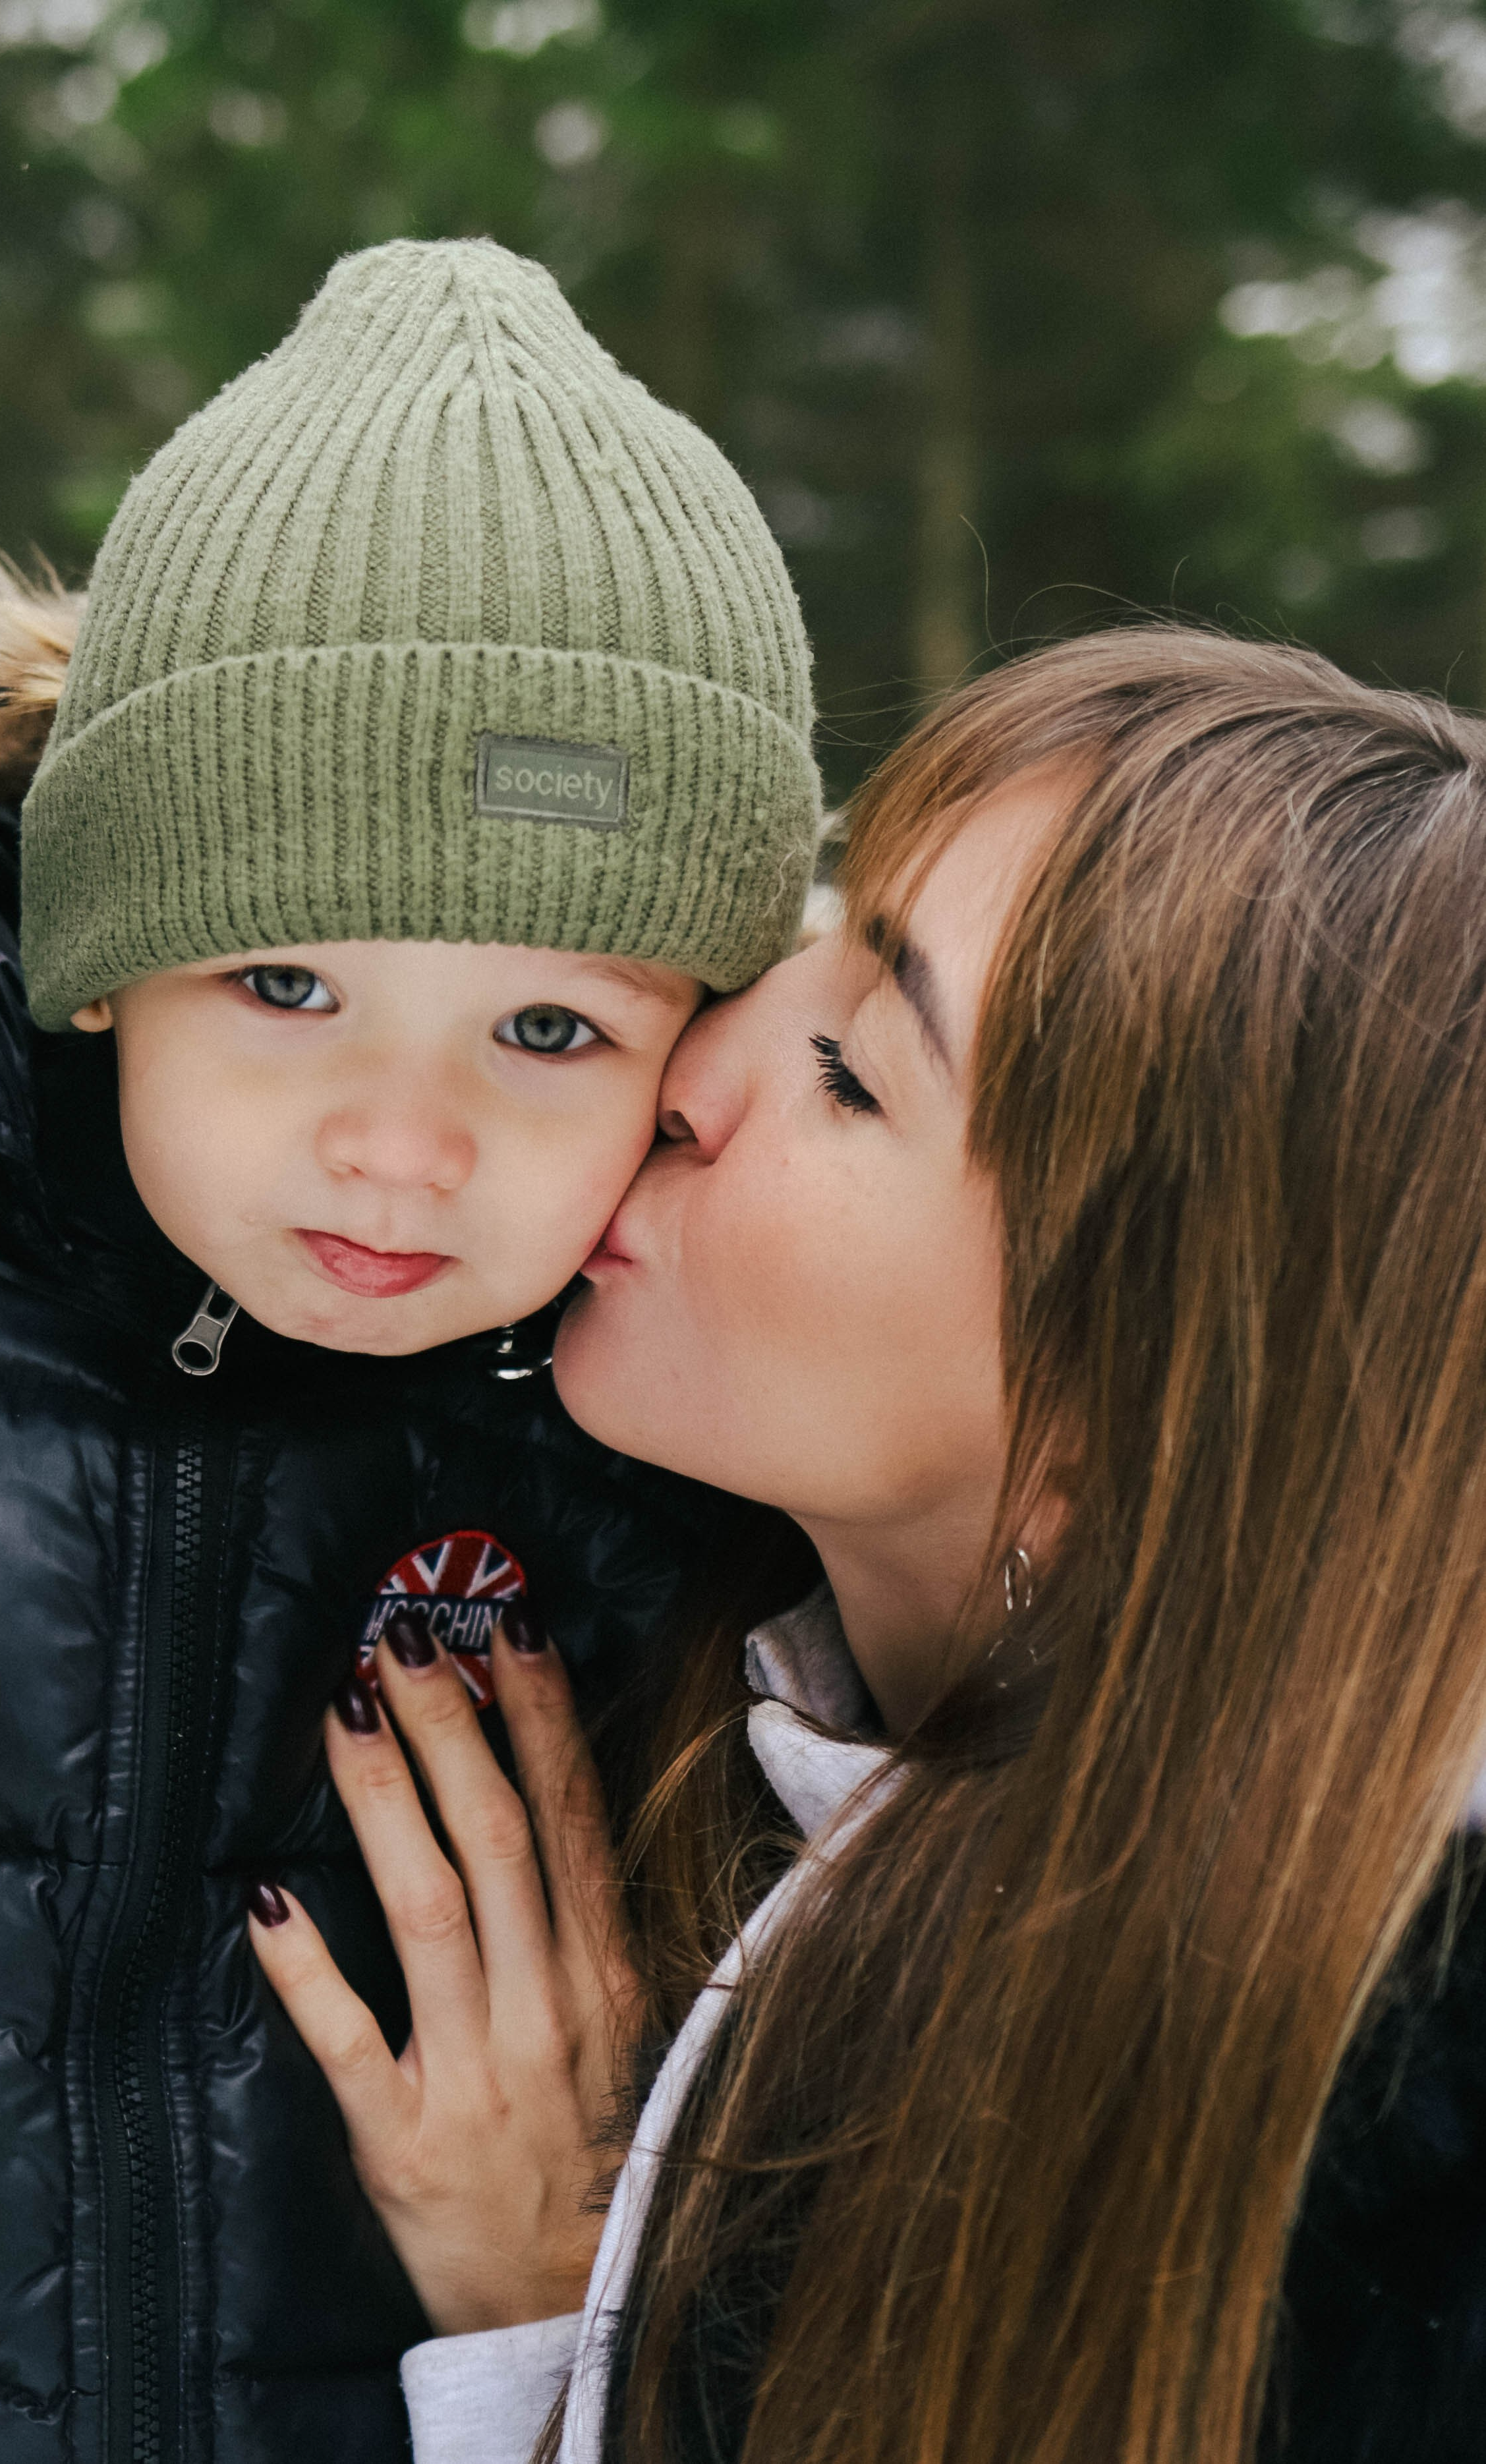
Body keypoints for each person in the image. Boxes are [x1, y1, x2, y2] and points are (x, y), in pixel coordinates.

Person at [256, 623, 1486, 2464]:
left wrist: (552, 2315)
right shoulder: (685, 1632)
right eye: (812, 923)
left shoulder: (1395, 2180)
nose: (694, 1054)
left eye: (854, 1068)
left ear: (1140, 1409)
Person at [0, 237, 819, 2461]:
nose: (400, 1145)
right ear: (102, 959)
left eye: (548, 1026)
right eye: (283, 985)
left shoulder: (682, 1483)